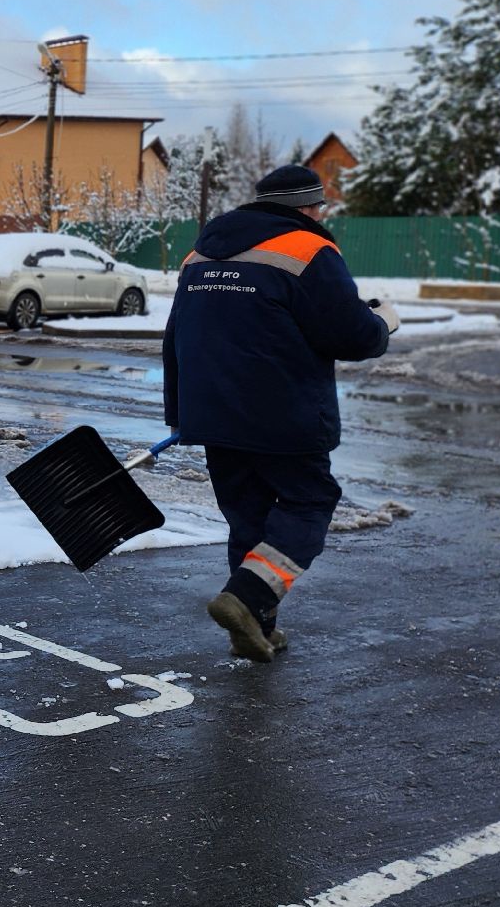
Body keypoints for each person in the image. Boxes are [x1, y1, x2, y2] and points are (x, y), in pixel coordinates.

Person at [163, 164, 398, 662]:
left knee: (247, 516)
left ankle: (255, 629)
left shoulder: (199, 254)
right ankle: (246, 598)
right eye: (320, 206)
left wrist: (180, 413)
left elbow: (175, 336)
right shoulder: (309, 249)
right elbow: (352, 336)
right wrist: (381, 324)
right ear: (308, 207)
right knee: (309, 502)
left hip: (213, 414)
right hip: (284, 414)